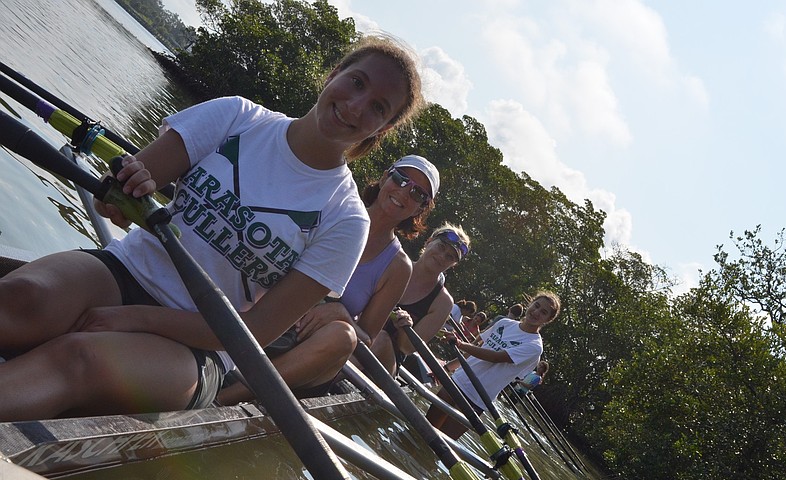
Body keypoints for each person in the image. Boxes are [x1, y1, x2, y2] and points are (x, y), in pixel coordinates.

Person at [0, 35, 424, 421]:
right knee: (23, 297)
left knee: (80, 358)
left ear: (383, 129)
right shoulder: (236, 116)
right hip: (124, 270)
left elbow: (253, 332)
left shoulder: (347, 220)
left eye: (378, 108)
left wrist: (134, 318)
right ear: (334, 74)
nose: (356, 106)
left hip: (203, 347)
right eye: (356, 83)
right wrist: (123, 191)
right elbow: (113, 201)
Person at [217, 154, 439, 404]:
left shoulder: (398, 266)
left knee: (344, 336)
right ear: (385, 176)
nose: (404, 192)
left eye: (418, 194)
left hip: (308, 355)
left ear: (421, 209)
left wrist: (341, 313)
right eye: (400, 179)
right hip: (266, 315)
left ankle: (226, 398)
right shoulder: (337, 206)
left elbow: (366, 340)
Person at [426, 292, 561, 439]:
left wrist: (459, 344)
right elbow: (475, 349)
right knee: (423, 431)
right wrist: (446, 368)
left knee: (441, 444)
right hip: (457, 381)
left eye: (543, 312)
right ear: (531, 303)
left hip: (476, 399)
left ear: (548, 320)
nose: (536, 312)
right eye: (536, 306)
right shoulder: (504, 323)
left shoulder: (534, 346)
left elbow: (496, 358)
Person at [371, 223, 471, 376]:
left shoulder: (443, 302)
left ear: (453, 265)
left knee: (381, 338)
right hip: (359, 332)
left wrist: (405, 327)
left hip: (386, 359)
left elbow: (407, 348)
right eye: (441, 247)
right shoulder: (396, 263)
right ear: (429, 242)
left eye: (450, 257)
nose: (442, 257)